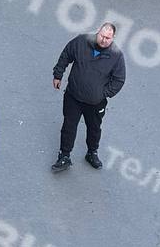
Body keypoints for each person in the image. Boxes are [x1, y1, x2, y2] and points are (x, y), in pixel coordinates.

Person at [51, 23, 126, 172]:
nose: (104, 40)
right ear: (98, 32)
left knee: (94, 128)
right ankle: (64, 156)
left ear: (113, 38)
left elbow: (119, 80)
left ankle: (92, 153)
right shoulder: (81, 42)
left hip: (96, 102)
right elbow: (66, 55)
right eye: (102, 36)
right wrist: (58, 75)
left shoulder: (116, 55)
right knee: (69, 126)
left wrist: (102, 93)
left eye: (108, 38)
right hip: (73, 96)